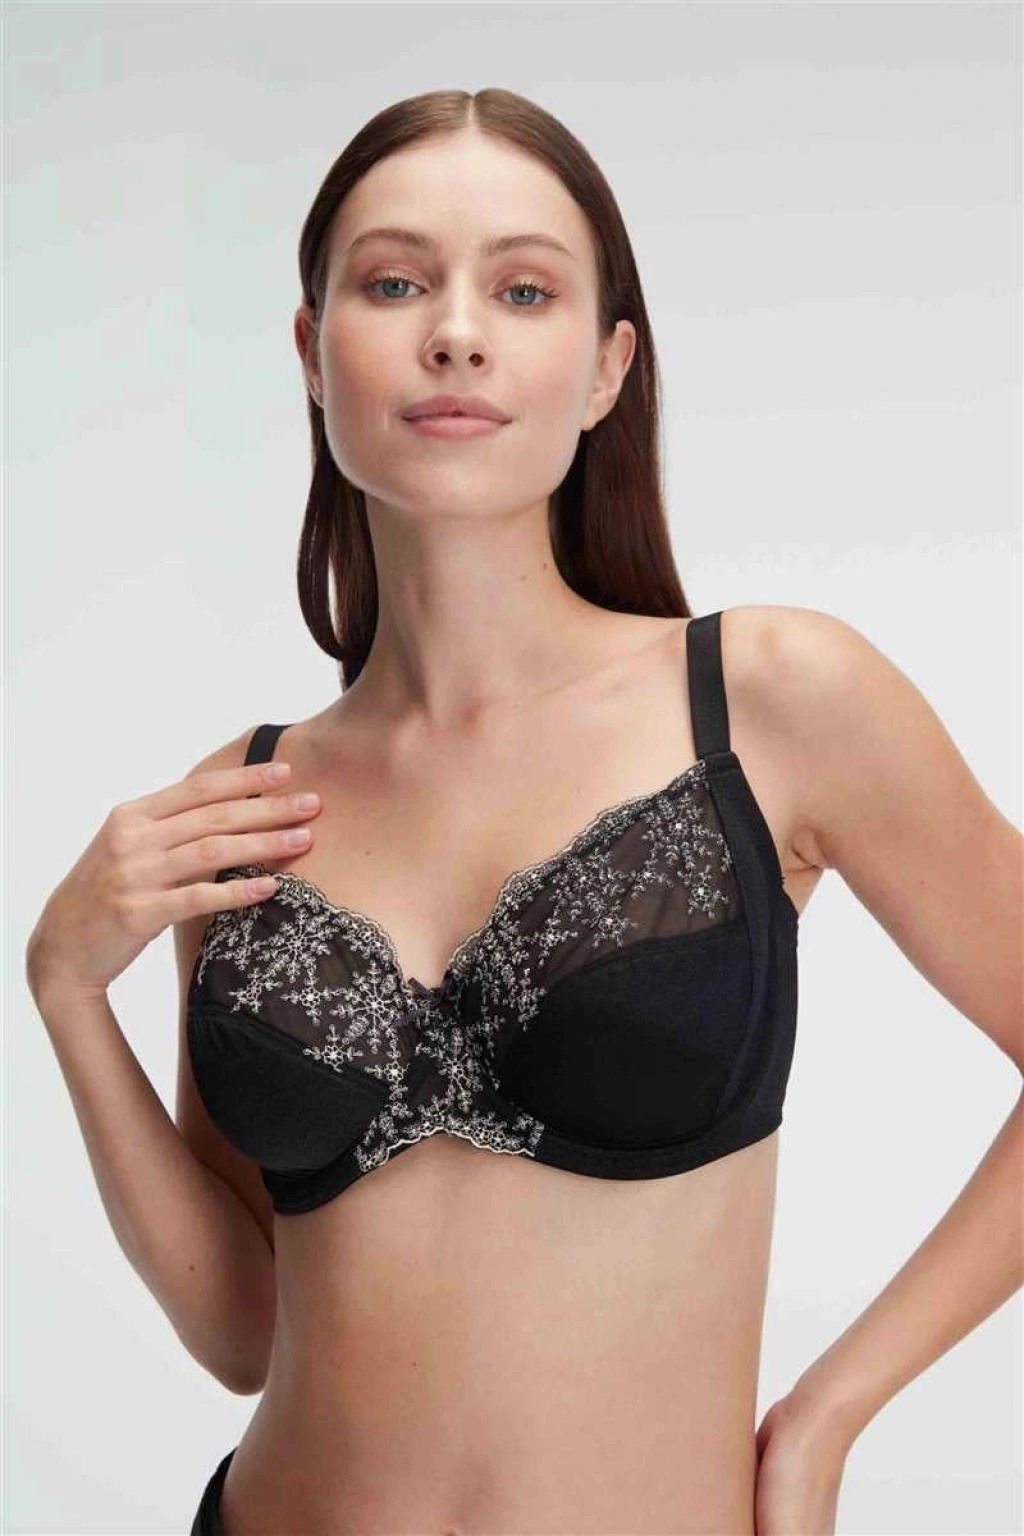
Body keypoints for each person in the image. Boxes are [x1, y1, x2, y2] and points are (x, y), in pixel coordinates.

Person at [25, 87, 1023, 1536]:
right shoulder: (250, 799)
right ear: (311, 354)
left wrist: (823, 1420)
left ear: (609, 366)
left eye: (524, 289)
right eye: (394, 283)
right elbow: (243, 1330)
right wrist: (66, 991)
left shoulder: (767, 702)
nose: (455, 333)